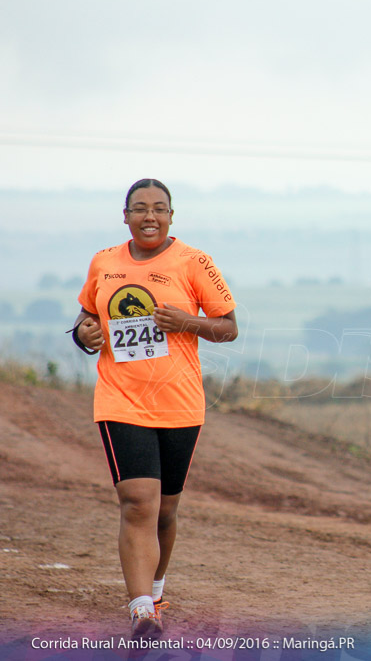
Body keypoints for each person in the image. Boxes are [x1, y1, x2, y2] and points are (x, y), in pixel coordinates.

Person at [71, 179, 238, 640]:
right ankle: (142, 608)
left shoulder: (194, 262)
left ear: (170, 216)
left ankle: (156, 587)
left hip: (180, 404)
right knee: (138, 502)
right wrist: (84, 334)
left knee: (165, 509)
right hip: (119, 399)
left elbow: (229, 327)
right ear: (124, 216)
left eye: (159, 209)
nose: (150, 216)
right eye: (140, 208)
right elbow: (87, 315)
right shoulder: (104, 261)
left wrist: (187, 322)